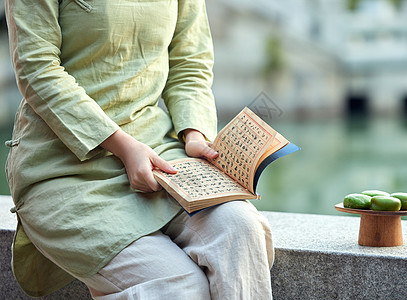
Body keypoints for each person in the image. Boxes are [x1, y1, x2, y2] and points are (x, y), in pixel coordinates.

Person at [4, 0, 274, 299]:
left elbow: (189, 62)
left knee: (241, 228)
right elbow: (36, 68)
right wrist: (124, 146)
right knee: (179, 287)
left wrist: (194, 133)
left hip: (159, 155)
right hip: (64, 167)